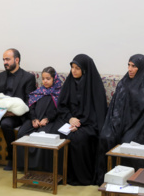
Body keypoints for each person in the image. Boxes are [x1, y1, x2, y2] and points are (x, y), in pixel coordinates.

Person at [40, 54, 107, 185]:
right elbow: (62, 106)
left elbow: (97, 113)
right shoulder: (69, 83)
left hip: (89, 124)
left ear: (85, 69)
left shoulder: (94, 86)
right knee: (56, 134)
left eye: (77, 68)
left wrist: (80, 123)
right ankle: (58, 174)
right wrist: (70, 119)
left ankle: (79, 177)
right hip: (68, 120)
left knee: (78, 138)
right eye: (72, 67)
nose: (74, 71)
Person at [96, 54, 144, 185]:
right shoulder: (124, 83)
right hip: (122, 124)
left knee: (128, 140)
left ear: (142, 68)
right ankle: (109, 180)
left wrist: (132, 129)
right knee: (106, 136)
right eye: (129, 65)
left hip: (142, 128)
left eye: (134, 66)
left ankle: (136, 181)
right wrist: (116, 126)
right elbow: (115, 109)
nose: (130, 69)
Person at [0, 48, 36, 170]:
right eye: (3, 59)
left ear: (17, 60)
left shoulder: (28, 77)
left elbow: (29, 101)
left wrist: (13, 112)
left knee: (6, 124)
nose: (5, 62)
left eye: (7, 59)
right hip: (0, 112)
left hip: (16, 114)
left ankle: (12, 158)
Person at [16, 66, 62, 170]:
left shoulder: (59, 92)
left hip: (50, 121)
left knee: (42, 136)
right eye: (43, 78)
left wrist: (47, 119)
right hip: (35, 119)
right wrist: (34, 119)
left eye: (48, 79)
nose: (45, 81)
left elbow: (59, 110)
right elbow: (31, 106)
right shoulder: (38, 91)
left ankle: (37, 167)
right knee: (22, 133)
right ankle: (22, 165)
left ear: (54, 79)